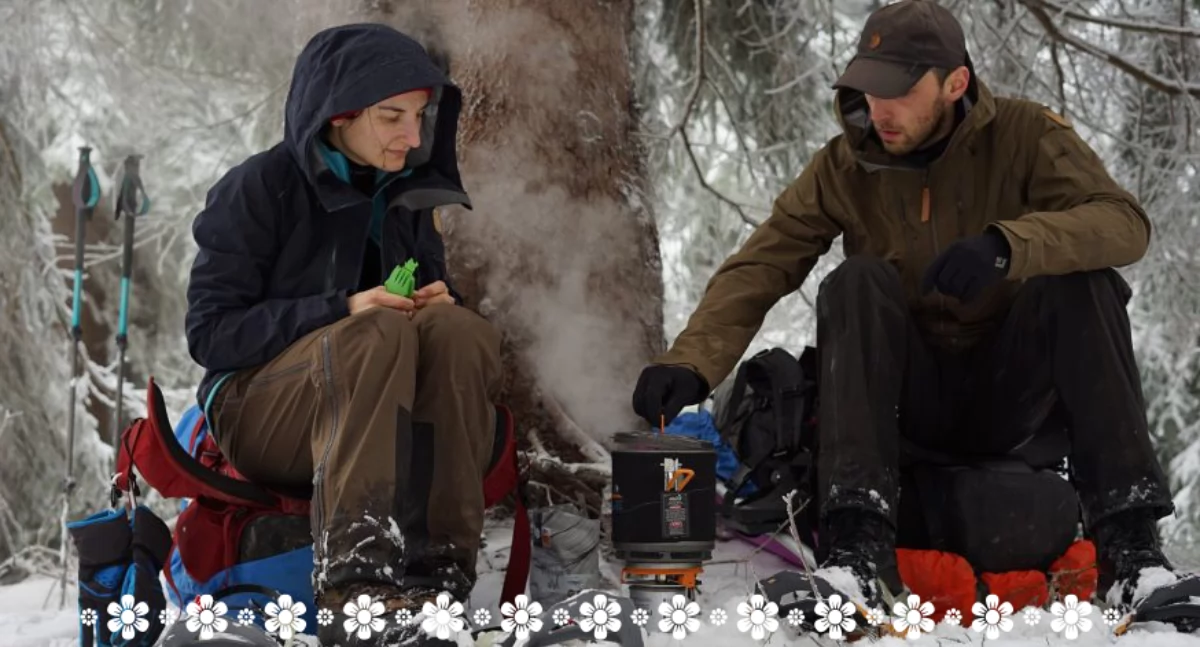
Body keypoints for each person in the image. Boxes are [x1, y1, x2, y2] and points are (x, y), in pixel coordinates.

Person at [632, 0, 1187, 621]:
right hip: (903, 405)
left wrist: (1010, 247)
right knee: (856, 283)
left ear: (955, 84)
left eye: (896, 91)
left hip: (1009, 398)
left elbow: (1124, 225)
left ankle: (1134, 555)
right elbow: (762, 263)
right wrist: (691, 362)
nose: (878, 110)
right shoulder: (845, 166)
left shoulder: (1028, 137)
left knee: (1084, 284)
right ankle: (856, 559)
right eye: (866, 90)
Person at [184, 22, 500, 646]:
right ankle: (357, 591)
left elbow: (427, 334)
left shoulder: (406, 200)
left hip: (373, 409)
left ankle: (438, 582)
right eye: (391, 117)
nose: (412, 137)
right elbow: (211, 335)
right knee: (376, 332)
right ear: (337, 116)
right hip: (259, 413)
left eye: (419, 116)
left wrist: (436, 304)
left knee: (458, 330)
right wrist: (344, 307)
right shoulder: (257, 188)